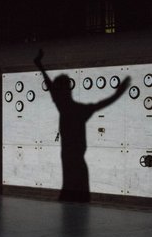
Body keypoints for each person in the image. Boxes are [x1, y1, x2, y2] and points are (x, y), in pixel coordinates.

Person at [34, 49, 130, 201]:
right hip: (76, 162)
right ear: (69, 89)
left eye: (59, 89)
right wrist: (118, 93)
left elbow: (51, 87)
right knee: (78, 199)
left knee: (71, 197)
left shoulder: (64, 107)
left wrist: (39, 65)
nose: (57, 92)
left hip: (70, 160)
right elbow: (102, 104)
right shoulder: (78, 109)